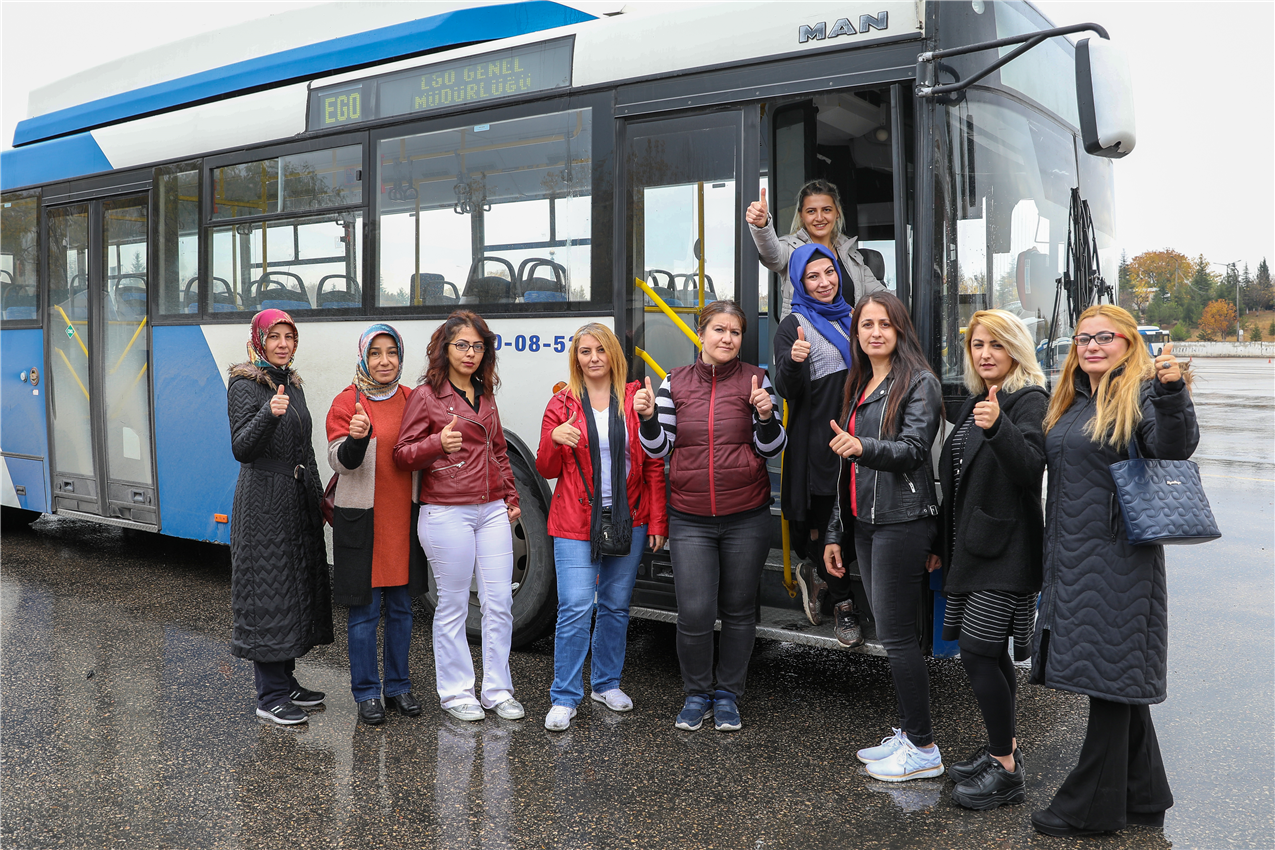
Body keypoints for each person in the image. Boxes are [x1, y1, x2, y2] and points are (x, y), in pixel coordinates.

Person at [1029, 306, 1196, 837]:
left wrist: (1172, 393)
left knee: (1108, 679)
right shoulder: (1075, 396)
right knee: (1116, 676)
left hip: (1119, 558)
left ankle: (1088, 808)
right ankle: (1145, 797)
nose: (1092, 346)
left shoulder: (1141, 391)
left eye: (1105, 337)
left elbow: (1172, 449)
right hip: (1074, 556)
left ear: (1128, 343)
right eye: (1084, 338)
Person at [635, 299, 786, 732]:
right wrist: (649, 419)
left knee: (738, 611)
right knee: (695, 613)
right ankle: (696, 694)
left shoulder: (757, 380)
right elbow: (659, 449)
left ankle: (727, 696)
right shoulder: (675, 381)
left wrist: (765, 415)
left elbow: (771, 448)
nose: (727, 338)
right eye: (719, 330)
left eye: (735, 332)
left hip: (746, 516)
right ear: (701, 334)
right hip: (690, 517)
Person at [926, 310, 1048, 809]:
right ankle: (1005, 748)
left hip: (1006, 550)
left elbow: (1031, 468)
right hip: (972, 549)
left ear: (1015, 349)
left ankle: (1006, 770)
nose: (985, 353)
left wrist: (999, 427)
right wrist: (941, 543)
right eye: (978, 345)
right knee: (990, 654)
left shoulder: (1028, 399)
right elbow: (958, 483)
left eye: (996, 344)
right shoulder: (979, 398)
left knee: (977, 654)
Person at [823, 291, 943, 781]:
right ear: (856, 333)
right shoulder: (859, 382)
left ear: (900, 329)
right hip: (867, 524)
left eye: (884, 324)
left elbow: (913, 449)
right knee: (892, 635)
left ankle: (923, 748)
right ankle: (909, 733)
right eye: (866, 324)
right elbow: (846, 468)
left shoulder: (919, 381)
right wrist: (836, 531)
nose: (875, 332)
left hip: (902, 521)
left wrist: (863, 447)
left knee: (896, 637)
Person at [535, 323, 669, 732]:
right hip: (575, 520)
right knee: (576, 606)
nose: (593, 358)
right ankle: (564, 696)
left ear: (613, 354)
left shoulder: (635, 398)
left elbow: (653, 464)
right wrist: (554, 439)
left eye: (600, 350)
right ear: (575, 358)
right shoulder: (561, 403)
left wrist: (658, 519)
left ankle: (606, 683)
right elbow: (546, 468)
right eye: (584, 351)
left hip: (629, 516)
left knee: (614, 606)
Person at [393, 311, 524, 723]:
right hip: (446, 510)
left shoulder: (486, 393)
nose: (470, 353)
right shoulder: (425, 396)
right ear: (444, 349)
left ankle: (498, 691)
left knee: (499, 602)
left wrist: (510, 494)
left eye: (478, 346)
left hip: (491, 509)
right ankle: (455, 693)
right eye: (462, 345)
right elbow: (402, 454)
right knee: (452, 604)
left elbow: (498, 451)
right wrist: (437, 443)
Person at [226, 308, 333, 726]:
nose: (283, 344)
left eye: (289, 337)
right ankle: (269, 696)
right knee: (268, 592)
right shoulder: (244, 385)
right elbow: (242, 448)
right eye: (275, 337)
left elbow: (306, 450)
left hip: (295, 497)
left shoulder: (292, 383)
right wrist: (268, 414)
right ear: (259, 341)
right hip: (263, 503)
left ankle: (286, 682)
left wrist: (320, 500)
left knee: (292, 589)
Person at [326, 323, 426, 725]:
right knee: (365, 613)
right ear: (363, 357)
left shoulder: (413, 399)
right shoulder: (347, 401)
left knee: (402, 610)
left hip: (404, 519)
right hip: (364, 522)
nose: (384, 361)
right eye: (375, 353)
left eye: (392, 352)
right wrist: (355, 439)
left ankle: (398, 686)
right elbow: (338, 460)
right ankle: (367, 692)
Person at [771, 243, 863, 645]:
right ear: (799, 282)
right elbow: (786, 389)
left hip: (859, 434)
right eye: (813, 276)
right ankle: (843, 606)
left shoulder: (854, 317)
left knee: (853, 524)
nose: (824, 282)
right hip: (819, 443)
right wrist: (794, 361)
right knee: (829, 525)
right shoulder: (793, 324)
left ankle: (815, 568)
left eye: (829, 272)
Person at [745, 178, 886, 317]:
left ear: (837, 213)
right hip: (802, 332)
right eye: (811, 211)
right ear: (801, 216)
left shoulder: (852, 256)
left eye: (826, 210)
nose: (819, 217)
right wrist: (762, 225)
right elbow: (772, 256)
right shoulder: (791, 248)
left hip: (847, 332)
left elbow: (883, 297)